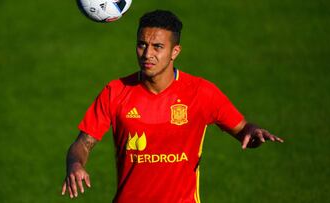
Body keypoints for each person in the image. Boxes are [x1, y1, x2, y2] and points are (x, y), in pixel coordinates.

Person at [61, 9, 284, 203]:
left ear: (175, 52)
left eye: (157, 47)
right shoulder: (116, 91)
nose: (147, 54)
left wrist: (253, 132)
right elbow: (83, 144)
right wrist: (75, 164)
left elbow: (243, 131)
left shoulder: (201, 92)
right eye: (142, 45)